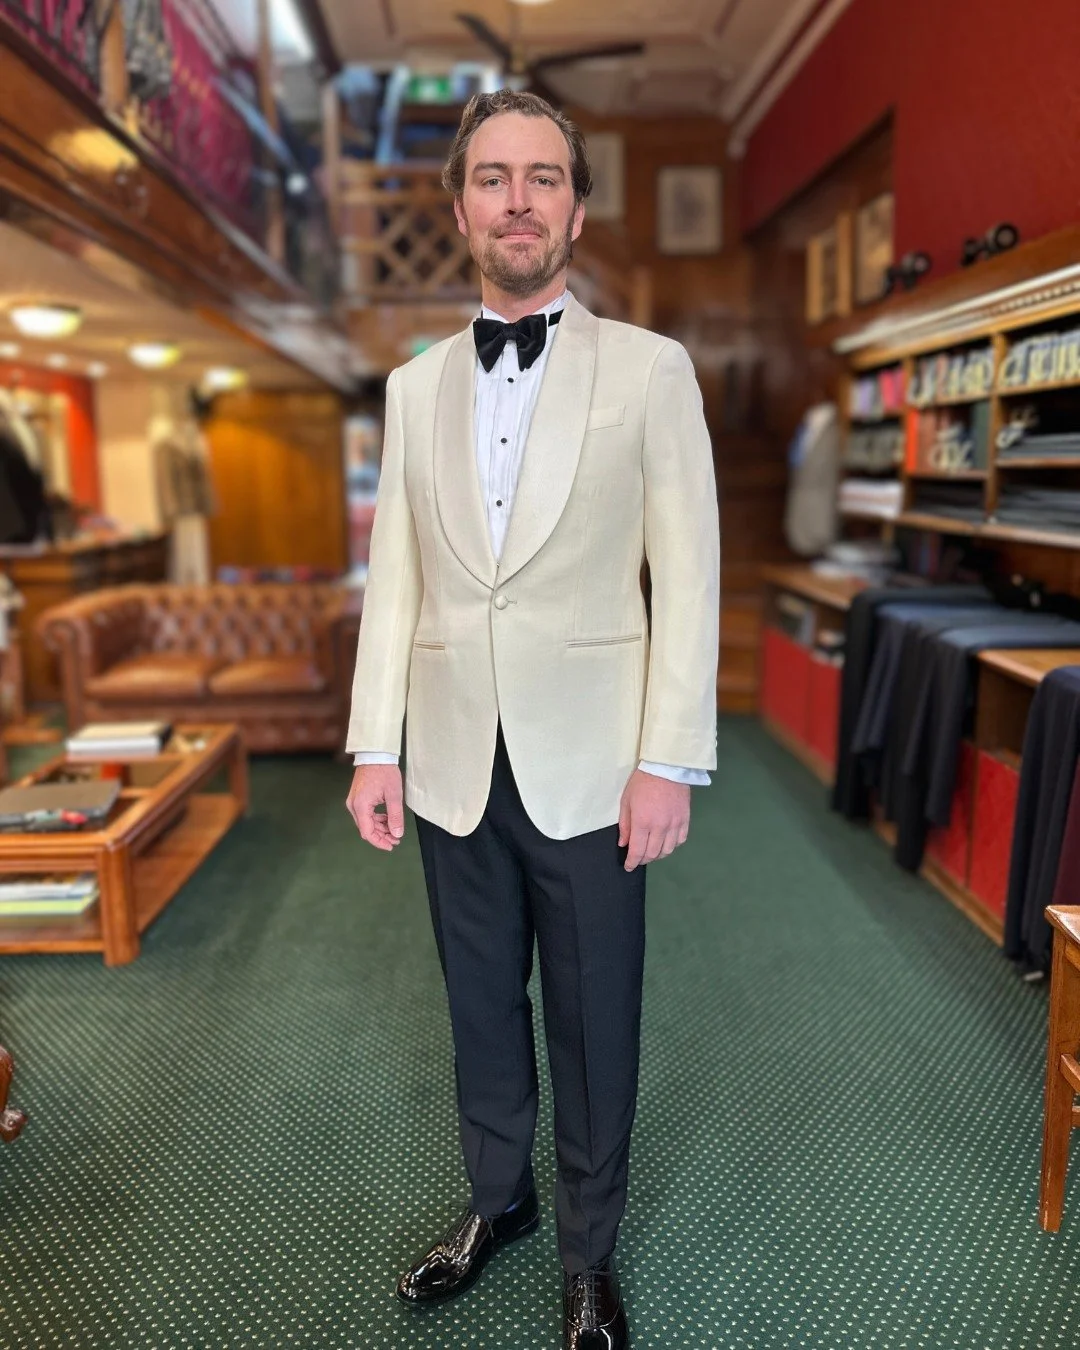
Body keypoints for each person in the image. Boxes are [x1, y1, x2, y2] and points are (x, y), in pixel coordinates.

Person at [345, 88, 720, 1350]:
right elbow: (396, 577)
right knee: (478, 1005)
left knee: (594, 1016)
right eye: (494, 178)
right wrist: (375, 746)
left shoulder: (651, 370)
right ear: (460, 210)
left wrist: (667, 759)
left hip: (596, 763)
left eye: (543, 177)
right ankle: (496, 1201)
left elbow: (690, 575)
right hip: (453, 757)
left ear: (575, 209)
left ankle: (588, 1253)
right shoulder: (411, 389)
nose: (519, 200)